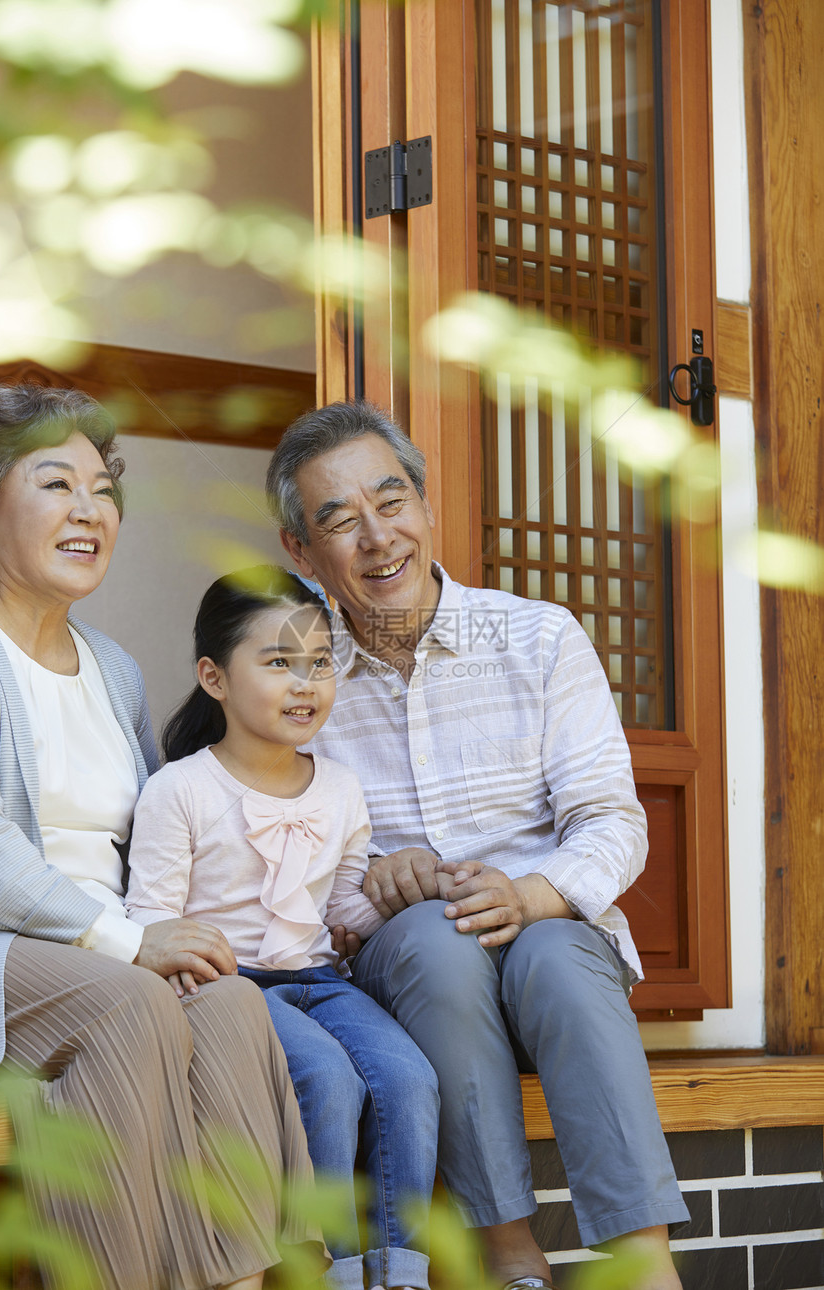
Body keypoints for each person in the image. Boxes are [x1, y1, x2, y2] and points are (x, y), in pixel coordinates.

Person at [265, 399, 690, 1290]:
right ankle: (510, 1258)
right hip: (417, 972)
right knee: (434, 936)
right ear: (302, 554)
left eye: (392, 503)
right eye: (339, 521)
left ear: (425, 507)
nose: (377, 538)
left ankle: (644, 1263)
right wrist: (376, 877)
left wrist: (533, 893)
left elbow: (614, 818)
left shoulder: (538, 636)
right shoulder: (293, 681)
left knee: (556, 954)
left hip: (553, 954)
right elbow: (287, 858)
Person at [0, 384, 325, 1290]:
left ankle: (240, 1282)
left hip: (104, 949)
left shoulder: (114, 666)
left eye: (103, 488)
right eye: (55, 484)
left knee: (232, 1000)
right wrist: (129, 943)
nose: (91, 510)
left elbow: (154, 833)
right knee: (135, 1002)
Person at [126, 567, 441, 1290]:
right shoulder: (181, 788)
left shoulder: (339, 787)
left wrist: (410, 894)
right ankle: (319, 1263)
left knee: (405, 1076)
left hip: (322, 981)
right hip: (229, 991)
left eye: (320, 664)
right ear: (214, 677)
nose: (306, 684)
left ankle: (397, 1269)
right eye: (278, 663)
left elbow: (340, 910)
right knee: (327, 1078)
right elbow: (150, 915)